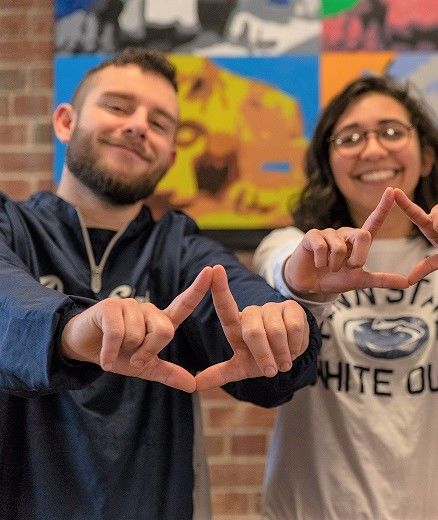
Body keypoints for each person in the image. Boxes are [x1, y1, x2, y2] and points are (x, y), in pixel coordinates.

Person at [0, 48, 321, 520]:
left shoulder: (179, 248)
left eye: (160, 122)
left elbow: (240, 296)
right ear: (66, 122)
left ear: (169, 156)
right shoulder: (11, 226)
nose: (137, 126)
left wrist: (280, 327)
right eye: (117, 106)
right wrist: (72, 329)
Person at [253, 76, 438, 519]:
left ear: (427, 156)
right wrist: (305, 279)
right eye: (350, 138)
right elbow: (283, 272)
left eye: (392, 132)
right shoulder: (290, 244)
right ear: (327, 162)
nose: (372, 151)